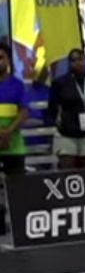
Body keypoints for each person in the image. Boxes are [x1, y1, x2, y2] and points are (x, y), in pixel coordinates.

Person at [48, 49, 85, 169]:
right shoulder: (60, 83)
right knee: (67, 167)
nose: (78, 63)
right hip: (66, 133)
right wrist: (59, 121)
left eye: (81, 59)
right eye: (74, 60)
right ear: (69, 63)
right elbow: (52, 106)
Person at [0, 42, 30, 176]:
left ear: (8, 60)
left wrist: (8, 132)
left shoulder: (18, 85)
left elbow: (24, 112)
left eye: (1, 57)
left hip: (14, 147)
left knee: (17, 192)